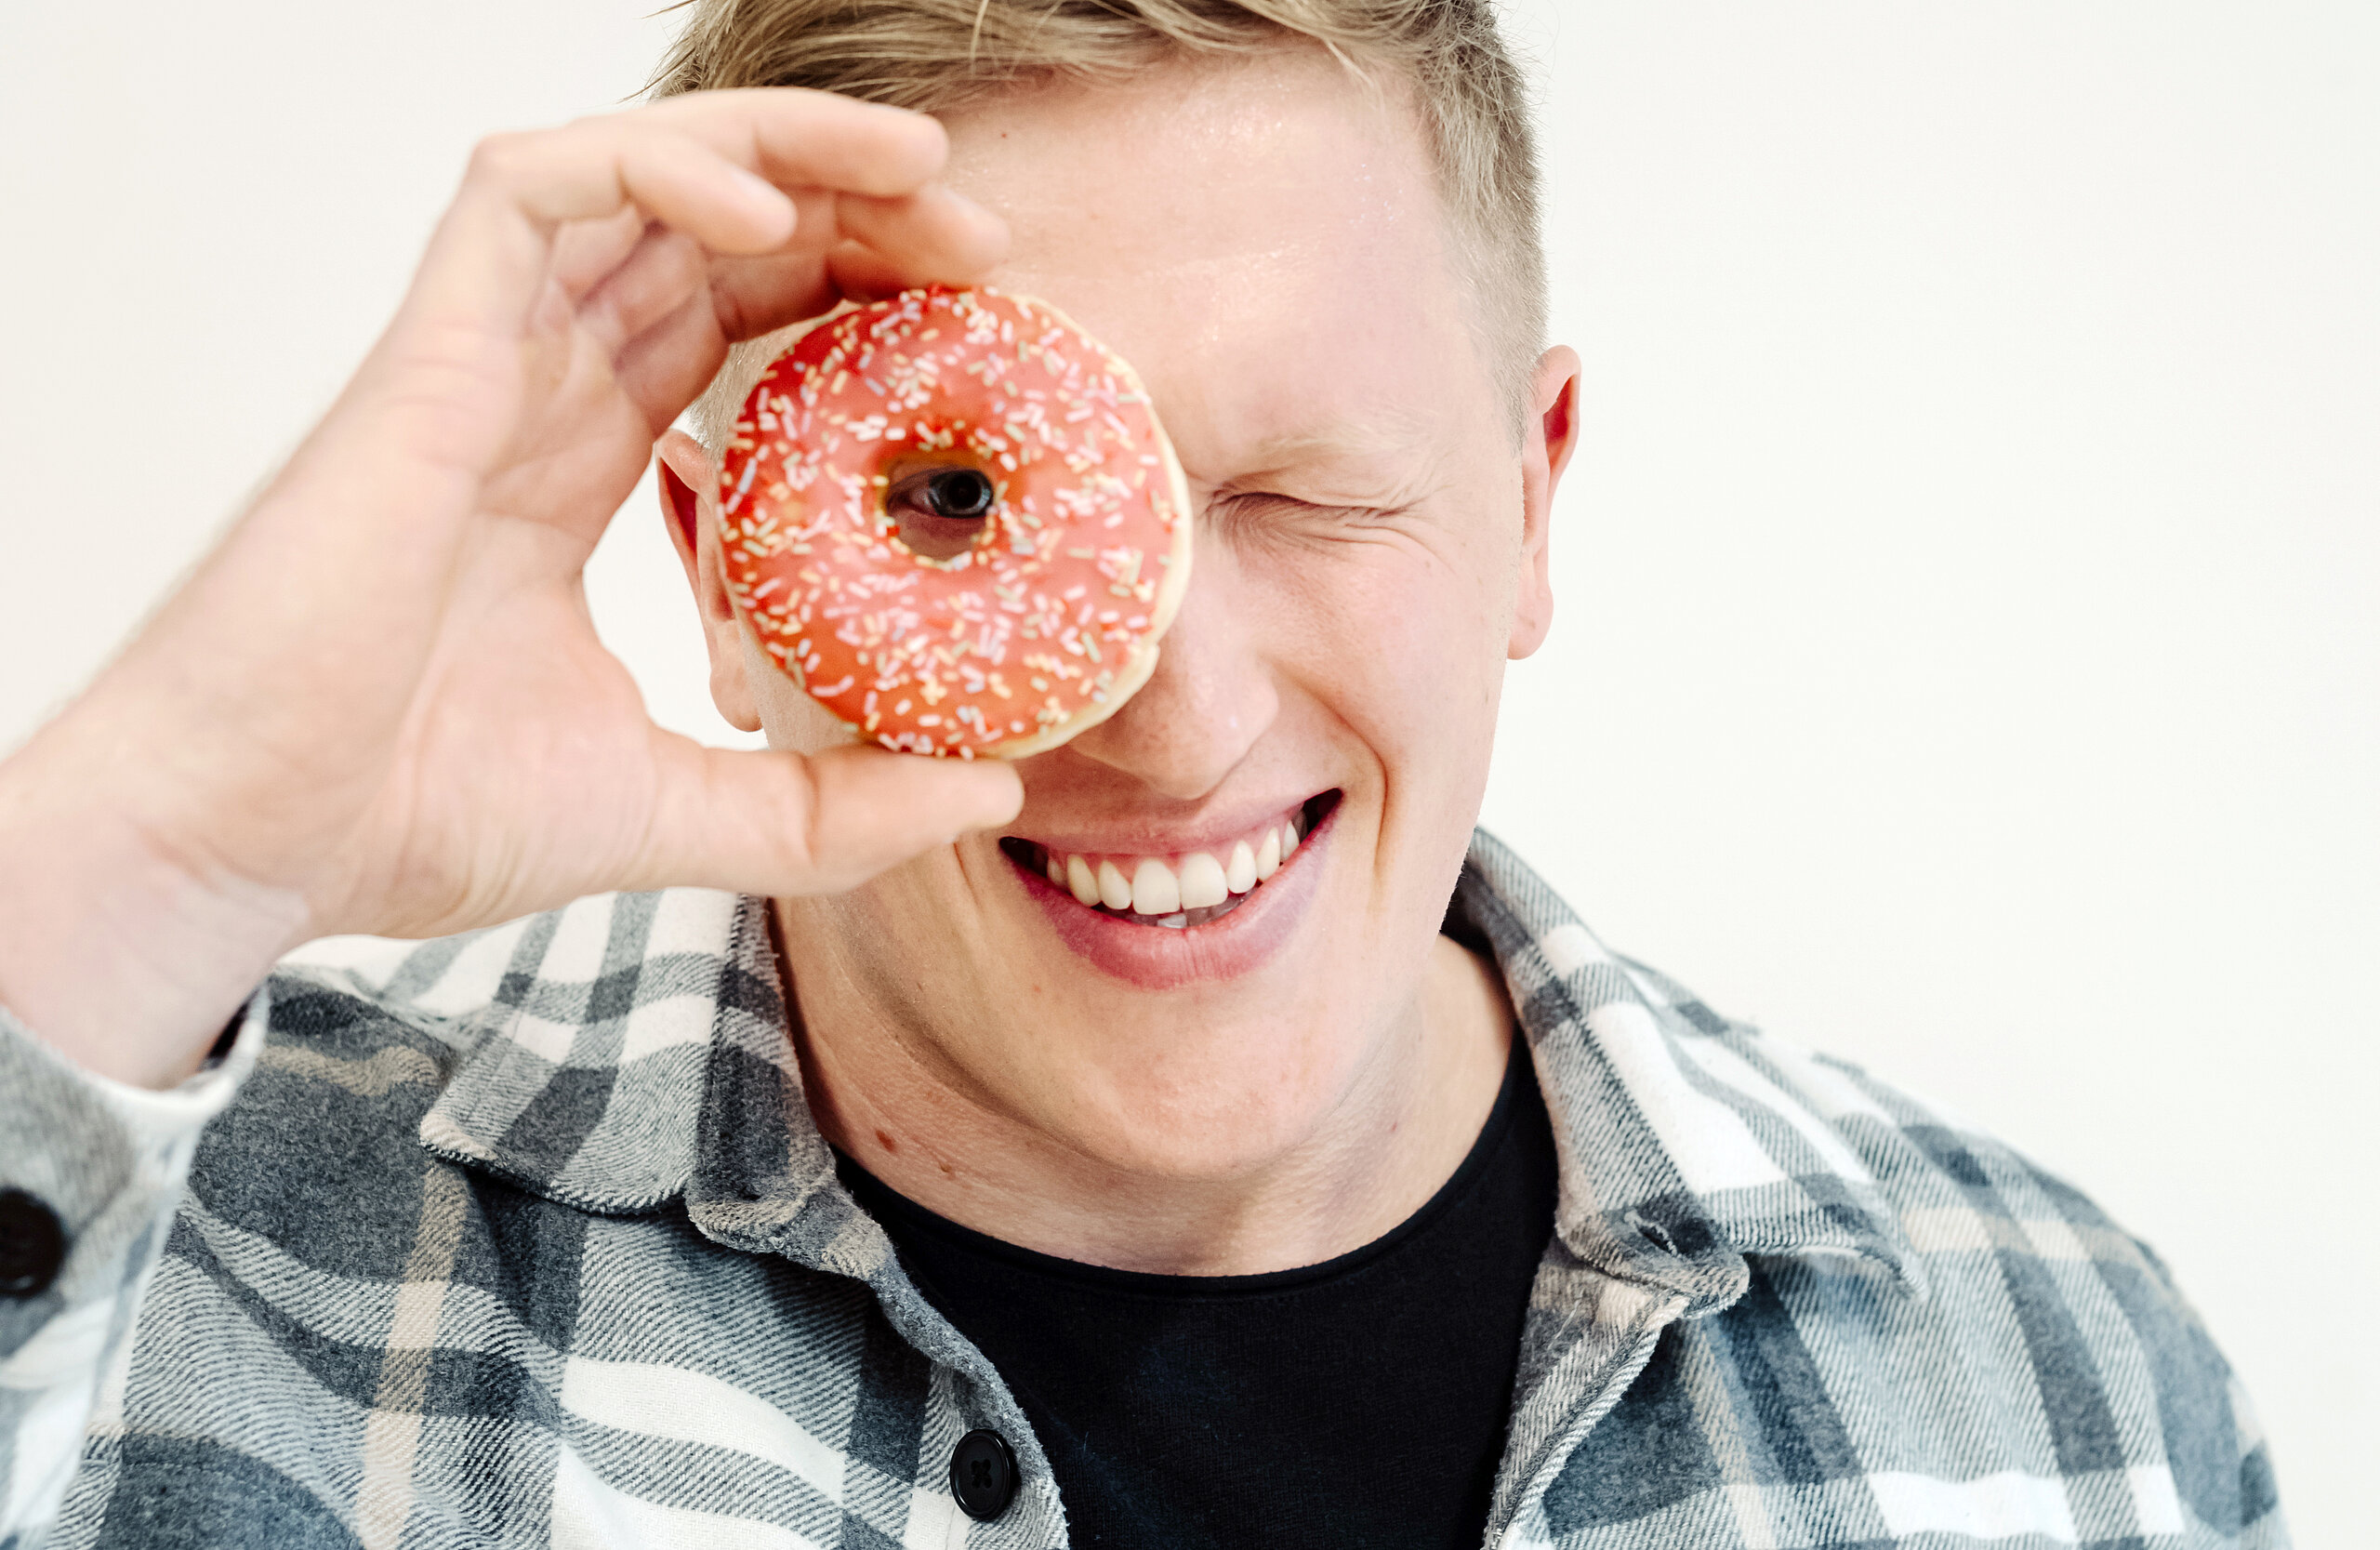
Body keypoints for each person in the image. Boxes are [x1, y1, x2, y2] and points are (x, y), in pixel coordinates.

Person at [0, 1, 2286, 1545]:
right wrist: (160, 839)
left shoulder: (2053, 1373)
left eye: (1296, 493)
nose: (1168, 719)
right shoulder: (201, 1283)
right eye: (960, 503)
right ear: (719, 563)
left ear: (1531, 498)